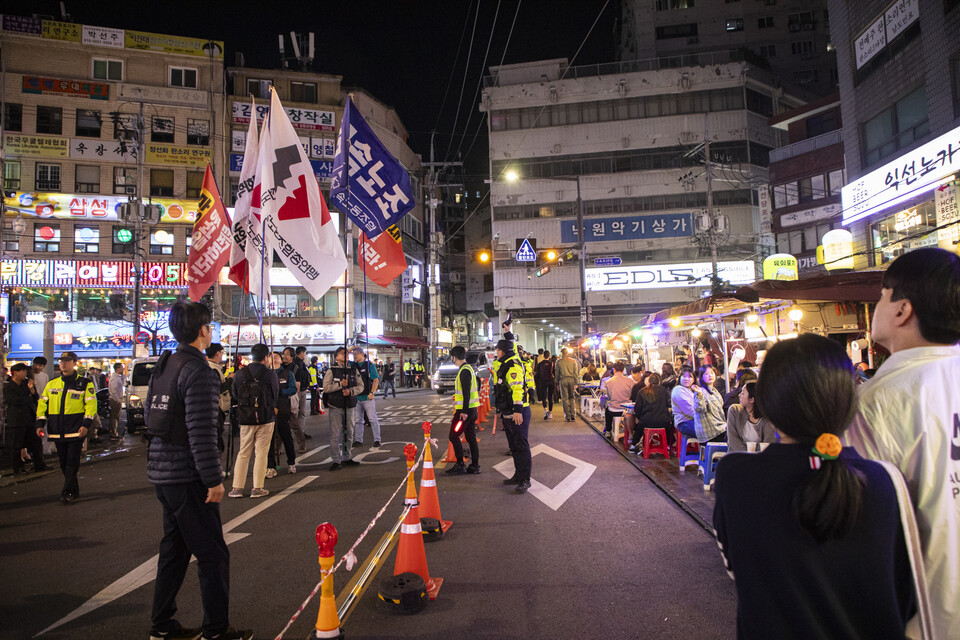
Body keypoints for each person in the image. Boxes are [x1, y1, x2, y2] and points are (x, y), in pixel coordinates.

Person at [713, 334, 916, 640]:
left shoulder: (735, 475)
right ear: (850, 398)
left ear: (767, 400)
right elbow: (905, 593)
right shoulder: (884, 479)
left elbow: (735, 568)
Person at [843, 247, 960, 640]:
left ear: (902, 309)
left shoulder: (878, 400)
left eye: (880, 295)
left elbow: (852, 511)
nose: (876, 304)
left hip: (924, 618)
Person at [145, 301, 252, 640]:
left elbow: (152, 418)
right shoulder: (200, 372)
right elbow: (201, 431)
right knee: (212, 554)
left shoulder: (165, 364)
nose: (211, 331)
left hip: (163, 472)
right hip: (189, 475)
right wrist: (213, 480)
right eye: (210, 326)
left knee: (174, 550)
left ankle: (161, 626)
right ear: (203, 330)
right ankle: (216, 631)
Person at [35, 351, 96, 503]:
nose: (63, 363)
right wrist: (40, 424)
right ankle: (73, 490)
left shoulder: (84, 383)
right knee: (63, 463)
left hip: (76, 430)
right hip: (57, 431)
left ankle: (67, 492)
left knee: (72, 461)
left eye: (67, 360)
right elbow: (42, 405)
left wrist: (85, 425)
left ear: (75, 363)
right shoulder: (52, 384)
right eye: (61, 360)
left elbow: (91, 406)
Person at [229, 344, 279, 499]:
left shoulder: (240, 374)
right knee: (261, 453)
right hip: (265, 416)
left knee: (243, 452)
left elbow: (235, 394)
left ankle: (237, 488)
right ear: (266, 357)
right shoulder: (269, 374)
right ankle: (257, 488)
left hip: (245, 417)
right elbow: (275, 394)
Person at [493, 332, 532, 493]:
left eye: (497, 350)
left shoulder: (512, 365)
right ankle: (518, 475)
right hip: (508, 411)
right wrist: (508, 332)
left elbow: (518, 389)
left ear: (502, 351)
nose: (496, 352)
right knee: (514, 446)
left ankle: (525, 479)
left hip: (518, 411)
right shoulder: (505, 362)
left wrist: (517, 410)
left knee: (521, 446)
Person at [322, 347, 364, 471]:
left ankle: (347, 456)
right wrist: (340, 385)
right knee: (335, 435)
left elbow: (360, 386)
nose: (345, 355)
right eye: (342, 353)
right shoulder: (331, 371)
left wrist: (351, 391)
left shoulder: (353, 370)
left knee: (349, 433)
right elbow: (326, 388)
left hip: (349, 406)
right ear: (336, 356)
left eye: (346, 353)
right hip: (335, 406)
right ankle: (336, 459)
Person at [444, 346, 480, 475]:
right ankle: (475, 465)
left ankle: (460, 464)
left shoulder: (464, 371)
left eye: (452, 357)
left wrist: (463, 411)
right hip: (472, 410)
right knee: (470, 437)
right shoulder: (469, 368)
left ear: (454, 357)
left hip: (464, 412)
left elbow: (466, 393)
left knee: (453, 435)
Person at [4, 363, 46, 474]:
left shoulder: (26, 384)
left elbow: (35, 398)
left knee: (36, 442)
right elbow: (14, 401)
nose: (25, 374)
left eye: (26, 372)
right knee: (17, 446)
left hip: (30, 419)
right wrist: (28, 397)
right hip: (17, 421)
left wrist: (31, 391)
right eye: (23, 371)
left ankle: (39, 464)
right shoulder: (8, 386)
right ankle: (18, 468)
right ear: (16, 372)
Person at [266, 353, 297, 476]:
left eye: (276, 355)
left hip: (283, 409)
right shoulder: (266, 374)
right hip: (269, 410)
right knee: (269, 439)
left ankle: (291, 462)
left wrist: (279, 392)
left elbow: (293, 389)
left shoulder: (287, 373)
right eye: (270, 356)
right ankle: (270, 466)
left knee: (286, 436)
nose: (273, 358)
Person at [725, 381, 776, 453]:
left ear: (751, 399)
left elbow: (767, 444)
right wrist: (747, 455)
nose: (739, 395)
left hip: (759, 459)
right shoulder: (735, 410)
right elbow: (733, 440)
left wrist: (753, 457)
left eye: (742, 393)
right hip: (737, 456)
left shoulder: (767, 417)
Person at [631, 372, 673, 455]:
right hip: (663, 422)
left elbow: (637, 409)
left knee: (639, 426)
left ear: (649, 381)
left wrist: (641, 417)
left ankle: (633, 445)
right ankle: (667, 445)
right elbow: (669, 404)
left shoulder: (642, 391)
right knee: (669, 426)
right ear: (659, 382)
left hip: (646, 422)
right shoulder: (663, 391)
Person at [351, 347, 381, 448]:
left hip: (367, 396)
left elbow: (375, 380)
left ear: (361, 354)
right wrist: (352, 348)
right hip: (356, 397)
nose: (354, 355)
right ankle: (358, 440)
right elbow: (344, 357)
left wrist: (372, 392)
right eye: (353, 354)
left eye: (356, 353)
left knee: (372, 419)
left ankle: (377, 439)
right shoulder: (352, 365)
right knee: (358, 420)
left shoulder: (369, 366)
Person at [280, 348, 306, 454]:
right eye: (283, 354)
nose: (284, 356)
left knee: (294, 424)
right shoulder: (279, 367)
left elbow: (297, 386)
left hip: (290, 398)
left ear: (292, 356)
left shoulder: (295, 368)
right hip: (280, 399)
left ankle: (302, 445)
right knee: (279, 424)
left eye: (287, 354)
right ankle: (278, 448)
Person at [206, 344, 230, 452]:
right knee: (217, 439)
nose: (222, 355)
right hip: (217, 407)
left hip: (216, 407)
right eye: (222, 352)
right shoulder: (213, 369)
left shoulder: (213, 367)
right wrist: (229, 381)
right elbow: (217, 388)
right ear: (217, 353)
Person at [692, 364, 725, 443]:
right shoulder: (700, 391)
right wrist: (699, 394)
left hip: (719, 426)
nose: (710, 375)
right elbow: (700, 409)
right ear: (701, 377)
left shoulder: (714, 391)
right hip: (711, 431)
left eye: (712, 373)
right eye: (706, 374)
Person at [671, 366, 697, 440]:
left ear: (694, 379)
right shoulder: (678, 390)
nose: (686, 379)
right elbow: (689, 411)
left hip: (694, 420)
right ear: (680, 378)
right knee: (710, 433)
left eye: (690, 377)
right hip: (684, 422)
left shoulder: (693, 390)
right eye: (684, 376)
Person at [555, 348, 580, 422]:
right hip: (571, 380)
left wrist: (557, 382)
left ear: (562, 353)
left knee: (565, 399)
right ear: (567, 353)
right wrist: (576, 382)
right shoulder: (573, 361)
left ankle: (567, 416)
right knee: (572, 397)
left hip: (563, 380)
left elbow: (557, 373)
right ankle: (573, 415)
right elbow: (576, 373)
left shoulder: (558, 362)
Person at [294, 346, 311, 441]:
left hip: (302, 389)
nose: (305, 355)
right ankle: (300, 434)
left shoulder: (300, 363)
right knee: (299, 413)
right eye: (305, 353)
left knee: (300, 413)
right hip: (299, 390)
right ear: (301, 353)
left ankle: (301, 432)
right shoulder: (298, 364)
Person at [535, 350, 556, 419]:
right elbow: (554, 373)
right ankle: (550, 413)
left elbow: (537, 374)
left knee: (544, 397)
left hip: (543, 382)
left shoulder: (540, 364)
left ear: (544, 356)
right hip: (551, 381)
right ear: (549, 356)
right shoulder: (552, 364)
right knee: (550, 397)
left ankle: (545, 410)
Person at [108, 362, 125, 440]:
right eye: (122, 367)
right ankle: (113, 433)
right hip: (115, 400)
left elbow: (124, 383)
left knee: (116, 417)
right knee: (115, 417)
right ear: (118, 368)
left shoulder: (118, 377)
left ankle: (114, 432)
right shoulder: (115, 378)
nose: (123, 369)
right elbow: (113, 391)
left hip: (116, 399)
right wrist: (118, 400)